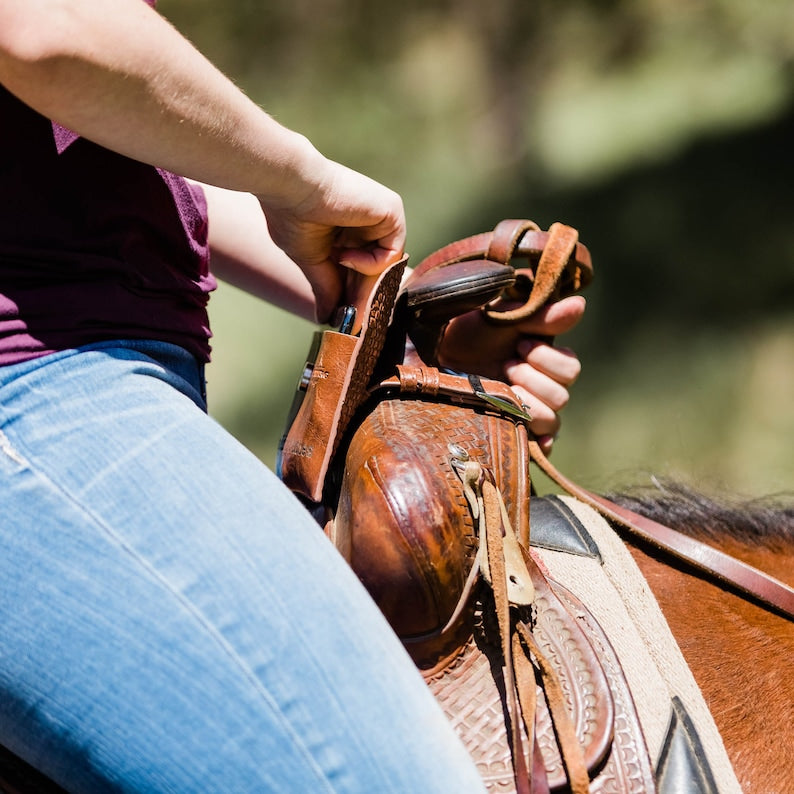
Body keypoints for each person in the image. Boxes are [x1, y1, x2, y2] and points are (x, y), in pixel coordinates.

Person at [0, 1, 585, 791]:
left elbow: (98, 138)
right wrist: (300, 177)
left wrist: (386, 315)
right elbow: (45, 30)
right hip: (38, 399)